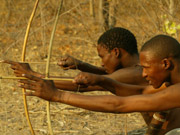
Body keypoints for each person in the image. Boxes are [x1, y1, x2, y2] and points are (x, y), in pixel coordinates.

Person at [15, 35, 180, 135]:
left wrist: (58, 95)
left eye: (147, 68)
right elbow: (141, 91)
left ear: (165, 63)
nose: (143, 74)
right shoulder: (168, 84)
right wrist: (101, 79)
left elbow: (120, 104)